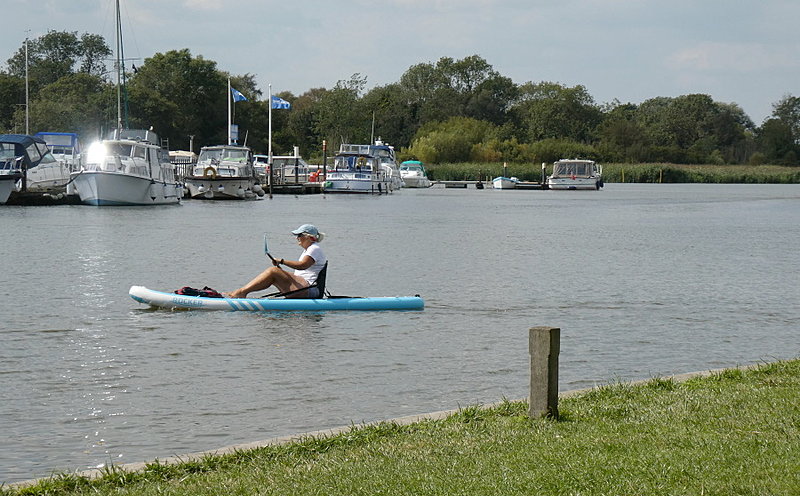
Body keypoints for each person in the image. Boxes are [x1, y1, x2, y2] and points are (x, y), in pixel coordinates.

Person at [225, 224, 327, 299]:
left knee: (273, 271)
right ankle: (241, 292)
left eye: (299, 235)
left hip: (308, 290)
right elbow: (302, 271)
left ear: (308, 237)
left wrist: (282, 261)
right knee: (275, 273)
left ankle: (241, 292)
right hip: (304, 288)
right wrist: (282, 272)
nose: (297, 238)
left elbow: (302, 266)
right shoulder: (309, 250)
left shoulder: (314, 249)